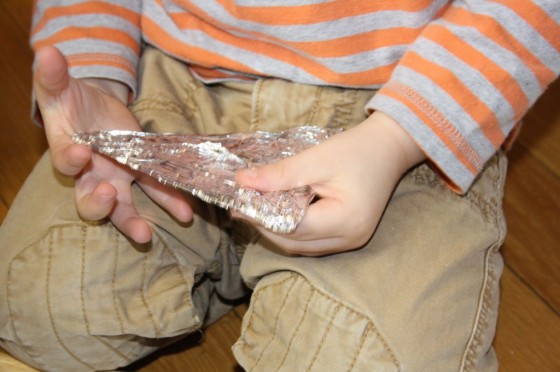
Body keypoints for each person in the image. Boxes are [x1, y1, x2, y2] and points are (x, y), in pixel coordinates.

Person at [0, 1, 558, 370]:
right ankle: (241, 270)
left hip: (400, 105)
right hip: (179, 71)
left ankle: (264, 280)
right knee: (32, 299)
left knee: (362, 354)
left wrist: (402, 136)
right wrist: (92, 71)